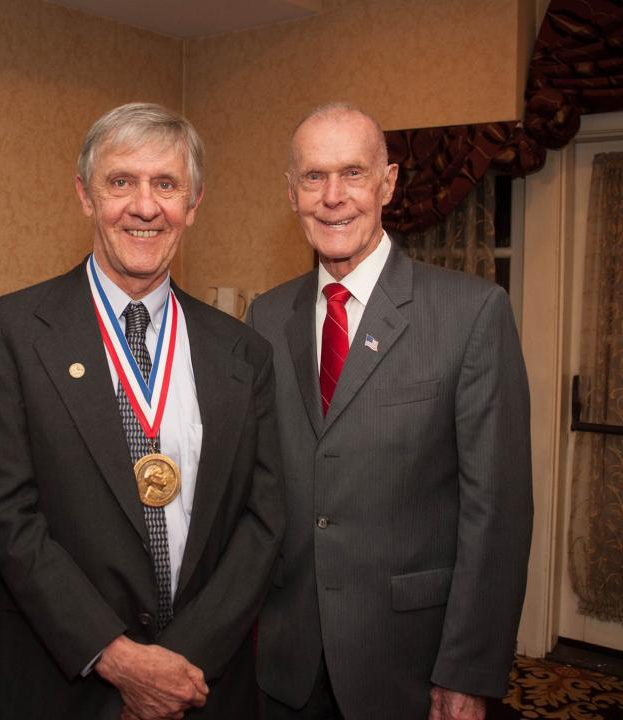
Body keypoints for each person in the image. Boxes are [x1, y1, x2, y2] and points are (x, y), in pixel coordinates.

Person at [0, 102, 284, 720]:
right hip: (70, 685)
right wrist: (117, 658)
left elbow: (263, 520)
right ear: (85, 195)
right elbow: (10, 517)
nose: (145, 206)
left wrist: (177, 662)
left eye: (166, 185)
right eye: (122, 182)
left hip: (205, 684)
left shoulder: (242, 350)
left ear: (192, 206)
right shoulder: (12, 332)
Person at [247, 103, 533, 720]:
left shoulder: (471, 313)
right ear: (291, 192)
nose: (333, 197)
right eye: (314, 177)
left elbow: (498, 512)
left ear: (389, 182)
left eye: (352, 173)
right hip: (286, 662)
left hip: (412, 664)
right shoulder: (266, 319)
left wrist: (469, 670)